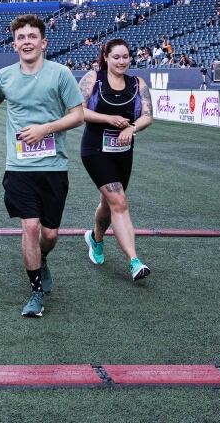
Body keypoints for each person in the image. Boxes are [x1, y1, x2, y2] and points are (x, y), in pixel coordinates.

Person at [0, 14, 84, 318]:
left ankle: (43, 259)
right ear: (15, 44)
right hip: (19, 167)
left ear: (43, 42)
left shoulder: (60, 74)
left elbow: (78, 115)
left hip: (53, 167)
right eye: (20, 38)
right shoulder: (4, 76)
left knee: (49, 234)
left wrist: (44, 129)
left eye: (32, 37)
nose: (26, 42)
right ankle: (35, 291)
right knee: (30, 227)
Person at [77, 38, 153, 282]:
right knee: (119, 201)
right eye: (117, 57)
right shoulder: (93, 79)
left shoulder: (137, 84)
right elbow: (78, 111)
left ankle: (95, 239)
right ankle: (134, 261)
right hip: (95, 150)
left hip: (123, 151)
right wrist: (108, 119)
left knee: (110, 204)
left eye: (126, 57)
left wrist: (133, 128)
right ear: (106, 57)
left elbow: (147, 116)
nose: (122, 61)